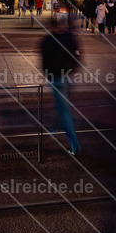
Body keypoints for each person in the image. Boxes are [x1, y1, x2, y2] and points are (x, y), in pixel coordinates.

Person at [40, 13, 82, 155]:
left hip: (57, 79)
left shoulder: (48, 40)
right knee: (62, 105)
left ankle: (75, 147)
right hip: (69, 77)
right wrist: (73, 69)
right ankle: (54, 127)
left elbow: (45, 62)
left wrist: (49, 75)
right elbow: (78, 56)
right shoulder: (70, 38)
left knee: (64, 111)